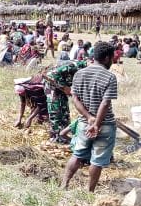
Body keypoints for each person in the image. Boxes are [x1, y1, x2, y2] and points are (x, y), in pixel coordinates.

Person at [62, 42, 117, 192]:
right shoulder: (110, 76)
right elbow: (105, 103)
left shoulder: (79, 73)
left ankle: (64, 184)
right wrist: (97, 124)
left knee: (78, 154)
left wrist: (89, 118)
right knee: (97, 160)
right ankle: (90, 191)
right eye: (112, 58)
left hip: (83, 123)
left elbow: (75, 99)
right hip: (105, 124)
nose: (113, 61)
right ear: (106, 58)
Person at [44, 59, 87, 143]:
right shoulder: (75, 66)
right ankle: (55, 137)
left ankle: (63, 134)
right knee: (55, 109)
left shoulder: (88, 71)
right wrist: (64, 88)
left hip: (62, 85)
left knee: (64, 109)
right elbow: (50, 75)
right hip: (51, 85)